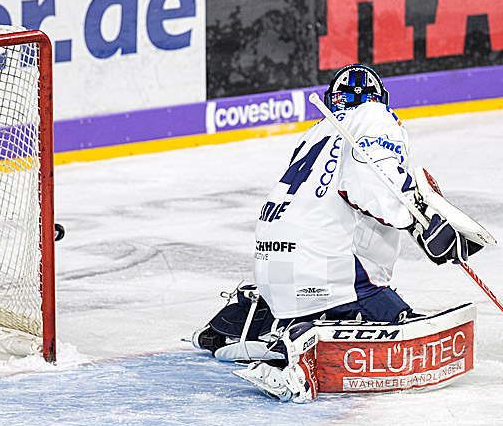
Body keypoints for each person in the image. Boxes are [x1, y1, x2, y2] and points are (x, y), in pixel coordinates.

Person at [197, 64, 483, 401]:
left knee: (320, 274)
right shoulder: (375, 116)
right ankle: (302, 345)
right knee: (397, 319)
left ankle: (256, 320)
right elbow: (370, 180)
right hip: (328, 271)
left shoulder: (316, 133)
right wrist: (419, 221)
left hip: (273, 270)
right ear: (379, 98)